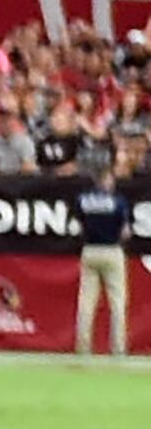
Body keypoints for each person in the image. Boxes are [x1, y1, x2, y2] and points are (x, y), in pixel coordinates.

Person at [76, 143, 134, 358]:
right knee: (117, 302)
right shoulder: (118, 202)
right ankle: (118, 349)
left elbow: (80, 224)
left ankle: (83, 347)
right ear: (106, 180)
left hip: (90, 249)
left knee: (86, 302)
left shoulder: (82, 200)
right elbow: (126, 231)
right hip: (112, 250)